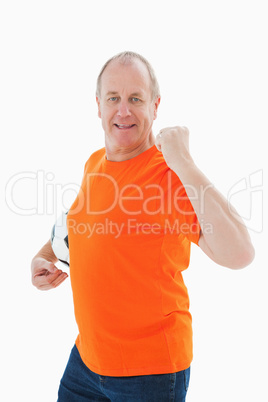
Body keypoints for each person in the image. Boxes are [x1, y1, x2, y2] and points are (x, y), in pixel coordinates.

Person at [31, 51, 255, 402]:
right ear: (98, 106)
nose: (123, 111)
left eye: (135, 98)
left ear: (155, 105)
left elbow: (240, 253)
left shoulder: (169, 175)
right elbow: (75, 224)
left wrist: (184, 161)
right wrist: (42, 258)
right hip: (86, 361)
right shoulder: (95, 162)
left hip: (149, 375)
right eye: (113, 99)